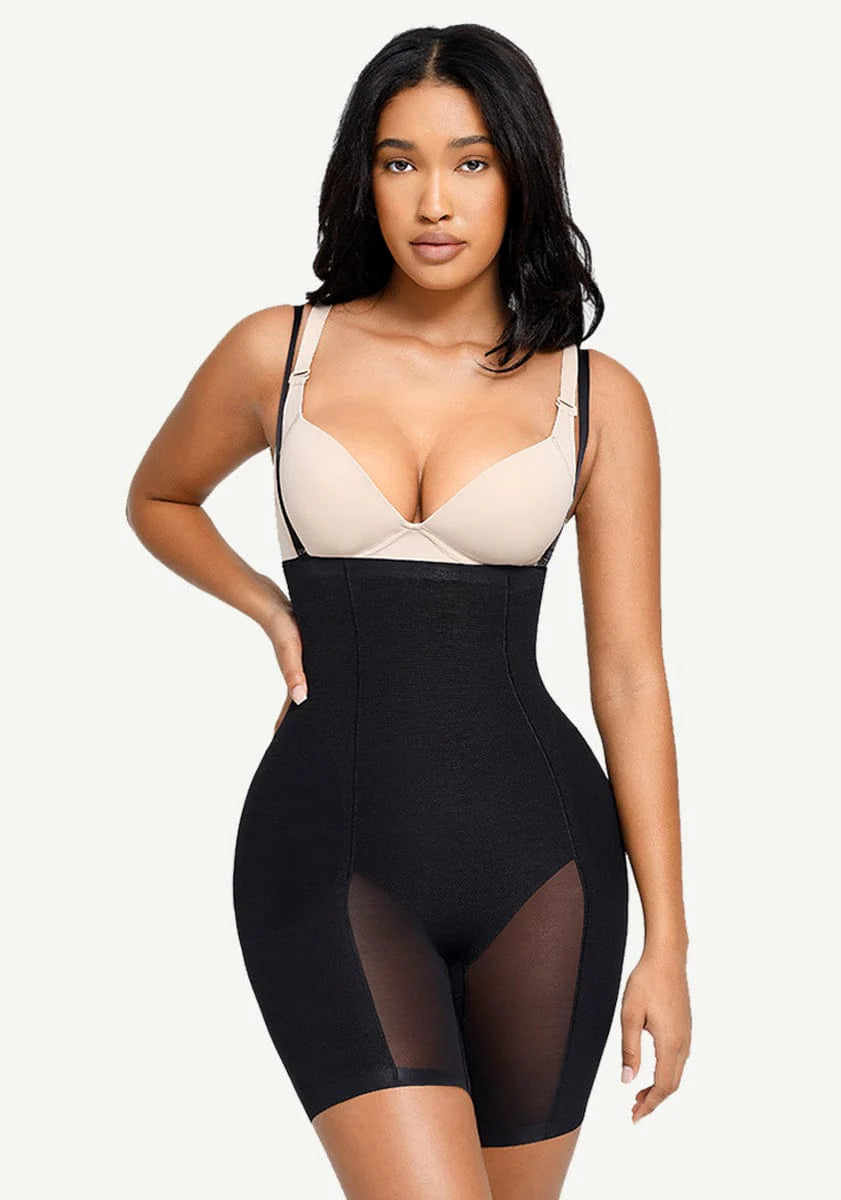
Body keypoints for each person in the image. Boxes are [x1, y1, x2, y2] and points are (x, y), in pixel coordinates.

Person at [126, 22, 691, 1200]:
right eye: (400, 162)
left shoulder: (598, 398)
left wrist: (670, 943)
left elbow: (631, 675)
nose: (434, 200)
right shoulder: (277, 353)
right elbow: (159, 496)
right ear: (363, 177)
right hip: (327, 856)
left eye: (470, 162)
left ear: (520, 175)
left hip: (547, 871)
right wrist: (267, 609)